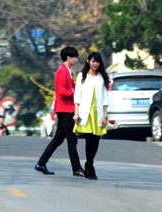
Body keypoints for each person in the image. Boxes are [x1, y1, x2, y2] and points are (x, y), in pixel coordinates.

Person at [35, 46, 85, 177]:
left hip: (67, 108)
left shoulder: (69, 70)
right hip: (65, 109)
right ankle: (77, 168)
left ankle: (41, 163)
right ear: (68, 58)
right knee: (72, 139)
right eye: (75, 57)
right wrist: (75, 92)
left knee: (58, 139)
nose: (77, 59)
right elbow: (62, 91)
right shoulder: (62, 71)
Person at [73, 52, 110, 180]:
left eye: (97, 61)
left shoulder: (102, 77)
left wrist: (105, 115)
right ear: (88, 61)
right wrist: (76, 113)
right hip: (86, 112)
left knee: (96, 140)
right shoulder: (81, 76)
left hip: (98, 112)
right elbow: (77, 96)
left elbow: (106, 97)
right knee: (89, 139)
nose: (95, 64)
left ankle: (89, 163)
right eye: (93, 61)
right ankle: (90, 166)